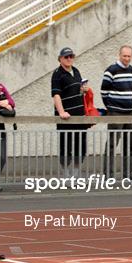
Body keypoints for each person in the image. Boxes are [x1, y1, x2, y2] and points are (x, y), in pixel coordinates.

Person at [51, 47, 88, 178]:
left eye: (71, 56)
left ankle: (76, 174)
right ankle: (66, 175)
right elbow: (56, 95)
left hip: (80, 116)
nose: (69, 59)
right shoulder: (57, 73)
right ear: (60, 59)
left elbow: (78, 92)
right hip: (66, 118)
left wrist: (84, 90)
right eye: (66, 57)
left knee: (81, 147)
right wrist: (61, 112)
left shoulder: (76, 71)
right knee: (65, 147)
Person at [101, 45, 132, 180]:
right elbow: (104, 91)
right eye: (124, 56)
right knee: (111, 144)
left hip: (129, 112)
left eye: (129, 56)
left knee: (130, 144)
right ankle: (108, 174)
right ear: (119, 55)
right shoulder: (111, 70)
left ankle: (128, 173)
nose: (127, 59)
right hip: (115, 112)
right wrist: (110, 107)